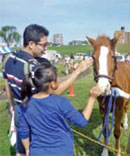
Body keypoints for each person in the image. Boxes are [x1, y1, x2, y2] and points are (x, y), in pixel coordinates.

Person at [2, 24, 92, 156]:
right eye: (43, 45)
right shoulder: (34, 67)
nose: (46, 48)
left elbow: (8, 84)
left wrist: (12, 105)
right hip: (35, 116)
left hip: (20, 112)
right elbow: (54, 92)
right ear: (31, 43)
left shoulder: (8, 59)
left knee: (21, 151)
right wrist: (78, 71)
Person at [18, 64, 102, 156]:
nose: (60, 80)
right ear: (53, 84)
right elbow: (82, 121)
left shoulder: (24, 105)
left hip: (37, 151)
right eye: (58, 78)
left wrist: (27, 150)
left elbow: (23, 131)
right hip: (62, 151)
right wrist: (92, 98)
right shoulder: (59, 102)